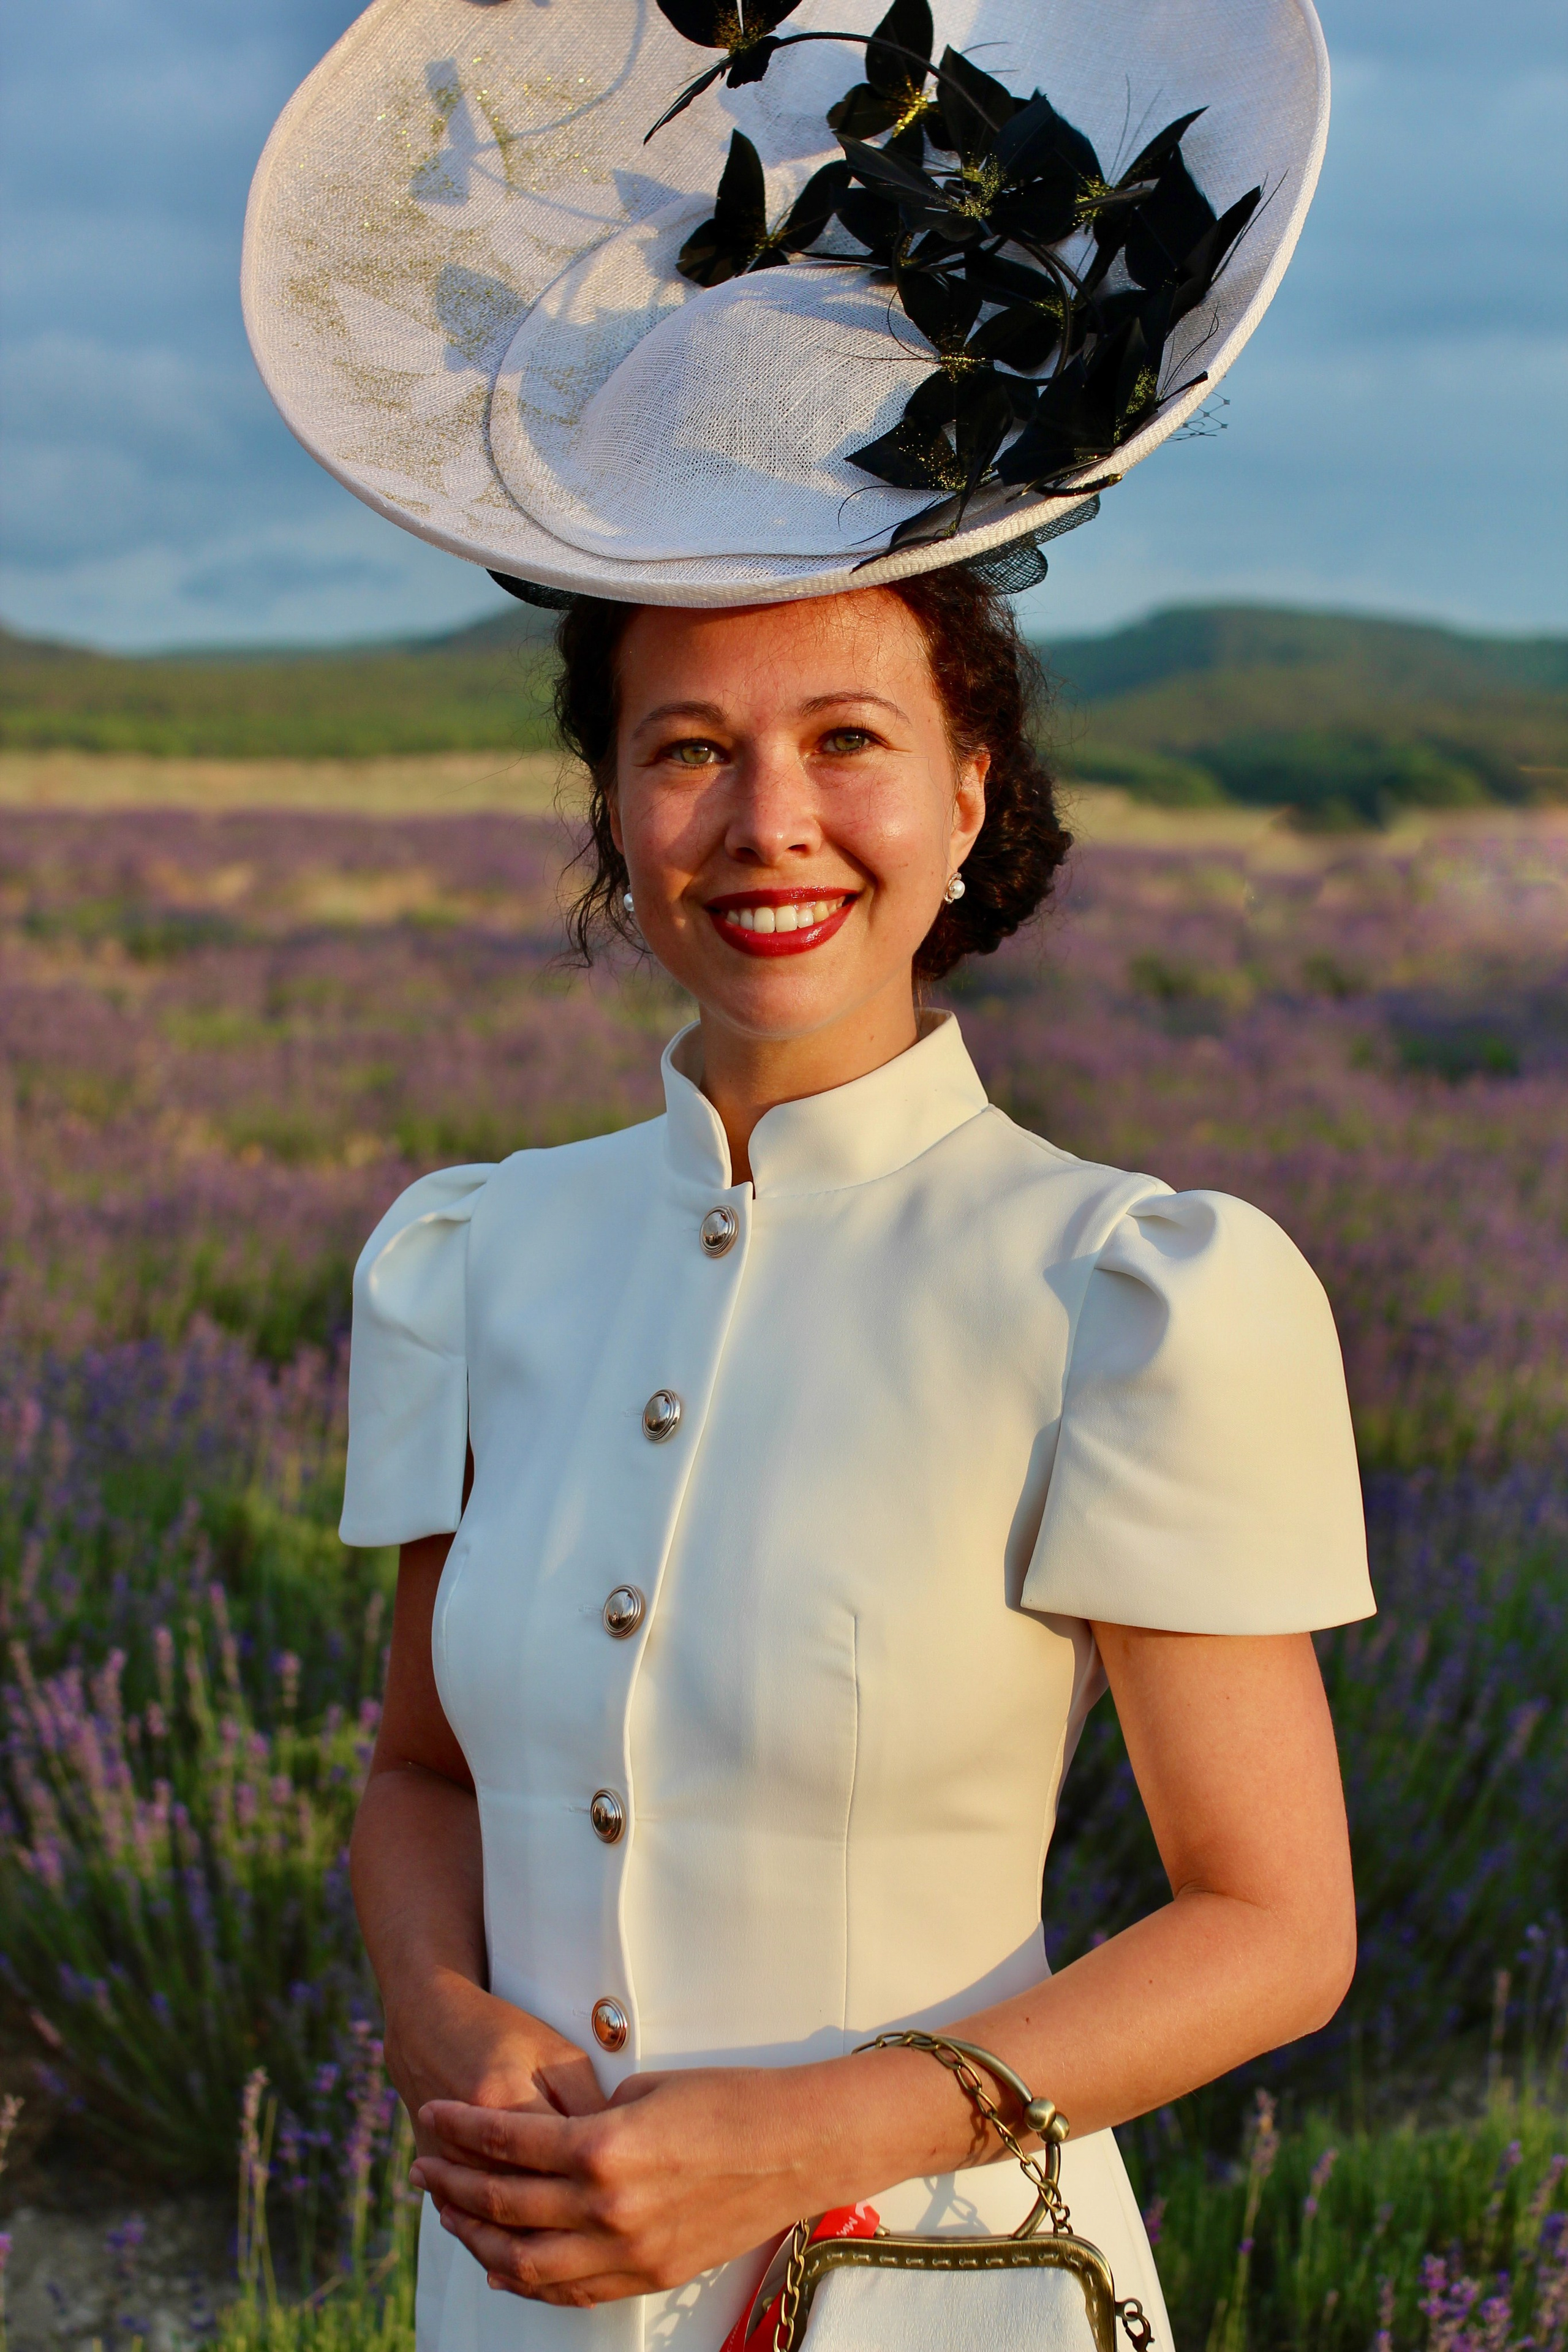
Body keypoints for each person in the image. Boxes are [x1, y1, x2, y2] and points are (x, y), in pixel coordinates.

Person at [246, 5, 1362, 2344]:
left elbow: (1272, 1928)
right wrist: (453, 2038)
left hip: (955, 2298)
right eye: (689, 752)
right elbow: (418, 1774)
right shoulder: (470, 1259)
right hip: (518, 2295)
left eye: (850, 739)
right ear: (612, 813)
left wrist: (799, 2139)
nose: (769, 827)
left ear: (968, 796)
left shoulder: (1136, 1289)